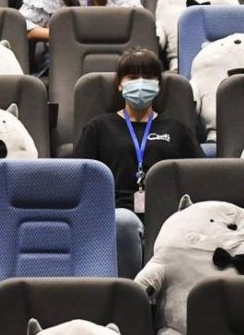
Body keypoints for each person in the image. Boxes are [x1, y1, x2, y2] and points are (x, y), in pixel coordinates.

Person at [74, 47, 204, 277]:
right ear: (120, 84)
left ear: (158, 85)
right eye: (133, 77)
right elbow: (79, 179)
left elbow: (199, 176)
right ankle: (129, 292)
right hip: (116, 211)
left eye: (148, 77)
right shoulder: (99, 127)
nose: (141, 84)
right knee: (124, 222)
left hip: (167, 211)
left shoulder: (177, 129)